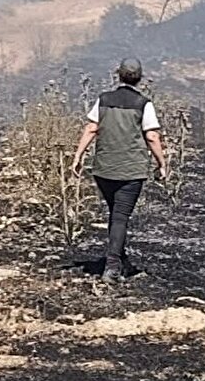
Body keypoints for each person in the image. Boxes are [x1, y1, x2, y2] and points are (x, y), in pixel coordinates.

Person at [70, 58, 167, 283]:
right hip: (131, 171)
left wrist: (78, 156)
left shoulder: (103, 100)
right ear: (140, 77)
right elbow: (152, 136)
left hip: (103, 168)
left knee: (116, 214)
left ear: (118, 75)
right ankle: (112, 266)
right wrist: (162, 163)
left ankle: (120, 259)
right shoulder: (144, 103)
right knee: (121, 216)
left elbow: (91, 128)